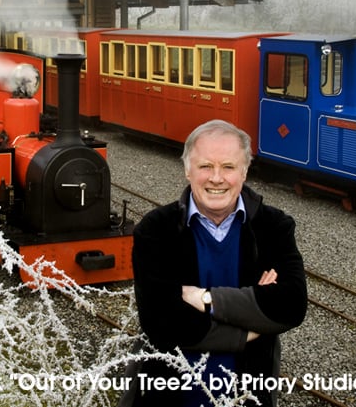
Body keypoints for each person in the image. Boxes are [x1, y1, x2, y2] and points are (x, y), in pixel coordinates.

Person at [127, 120, 307, 406]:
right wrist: (253, 325)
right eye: (205, 166)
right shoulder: (156, 229)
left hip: (249, 395)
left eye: (228, 167)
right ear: (187, 170)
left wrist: (206, 300)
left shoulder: (273, 227)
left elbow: (291, 305)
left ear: (244, 171)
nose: (216, 178)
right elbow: (161, 325)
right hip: (167, 394)